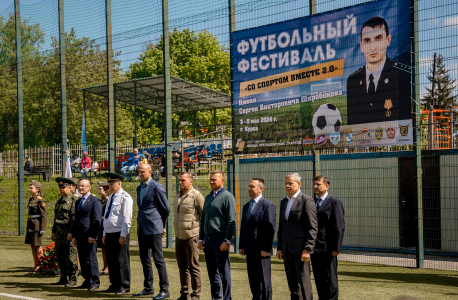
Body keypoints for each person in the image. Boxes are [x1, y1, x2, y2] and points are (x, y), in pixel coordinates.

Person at [347, 16, 412, 125]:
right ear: (361, 46)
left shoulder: (403, 74)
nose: (373, 47)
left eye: (378, 38)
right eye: (367, 40)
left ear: (388, 40)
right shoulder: (353, 80)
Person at [276, 172, 317, 300]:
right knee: (293, 285)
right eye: (286, 183)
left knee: (304, 284)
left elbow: (312, 227)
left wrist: (308, 249)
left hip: (300, 250)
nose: (287, 186)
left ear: (299, 184)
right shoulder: (284, 201)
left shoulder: (307, 200)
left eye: (290, 183)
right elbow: (282, 227)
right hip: (287, 250)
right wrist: (279, 247)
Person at [134, 164, 171, 300]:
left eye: (142, 171)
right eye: (139, 171)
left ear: (150, 172)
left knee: (158, 258)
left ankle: (164, 290)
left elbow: (166, 209)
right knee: (144, 259)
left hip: (154, 228)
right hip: (142, 227)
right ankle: (148, 288)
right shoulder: (139, 188)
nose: (140, 173)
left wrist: (161, 224)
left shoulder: (157, 186)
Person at [198, 170, 236, 300]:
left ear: (222, 180)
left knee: (224, 272)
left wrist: (227, 240)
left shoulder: (228, 197)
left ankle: (227, 298)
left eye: (214, 179)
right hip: (208, 240)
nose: (211, 181)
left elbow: (231, 220)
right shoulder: (208, 197)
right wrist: (201, 238)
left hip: (220, 239)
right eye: (211, 179)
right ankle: (216, 298)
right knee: (212, 272)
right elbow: (203, 218)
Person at [239, 178, 276, 300]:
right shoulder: (246, 206)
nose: (249, 189)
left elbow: (269, 229)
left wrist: (266, 248)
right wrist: (241, 246)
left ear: (261, 189)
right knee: (253, 279)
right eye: (249, 186)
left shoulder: (268, 205)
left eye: (252, 186)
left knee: (264, 281)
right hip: (250, 249)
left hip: (262, 250)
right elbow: (243, 226)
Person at [311, 176, 345, 300]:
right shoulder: (311, 202)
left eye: (318, 184)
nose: (315, 186)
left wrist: (337, 247)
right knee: (319, 278)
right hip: (314, 248)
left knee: (330, 278)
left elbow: (339, 226)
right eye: (315, 184)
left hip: (328, 248)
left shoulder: (335, 202)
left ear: (327, 186)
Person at [173, 172, 205, 300]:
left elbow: (204, 216)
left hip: (192, 237)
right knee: (182, 267)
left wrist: (200, 236)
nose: (180, 182)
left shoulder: (196, 196)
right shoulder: (178, 195)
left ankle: (195, 295)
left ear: (190, 181)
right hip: (179, 237)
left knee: (193, 267)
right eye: (179, 180)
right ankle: (184, 293)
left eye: (183, 180)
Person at [101, 173, 133, 295]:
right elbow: (107, 217)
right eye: (109, 184)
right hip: (109, 232)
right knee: (112, 260)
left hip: (119, 233)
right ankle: (114, 284)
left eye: (112, 184)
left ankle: (124, 285)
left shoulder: (125, 197)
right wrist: (104, 233)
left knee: (121, 260)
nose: (110, 187)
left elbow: (126, 217)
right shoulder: (111, 197)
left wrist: (123, 235)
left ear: (119, 184)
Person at [72, 179, 102, 291]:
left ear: (89, 187)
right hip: (80, 235)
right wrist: (75, 236)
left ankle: (95, 281)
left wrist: (93, 235)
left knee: (92, 258)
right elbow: (76, 221)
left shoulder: (95, 201)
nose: (81, 188)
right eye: (79, 186)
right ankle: (87, 280)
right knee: (83, 258)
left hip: (89, 235)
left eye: (83, 186)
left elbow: (97, 219)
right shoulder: (78, 202)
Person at [51, 177, 79, 287]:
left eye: (64, 187)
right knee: (60, 256)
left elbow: (74, 219)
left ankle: (73, 279)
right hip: (59, 233)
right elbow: (55, 218)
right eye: (60, 187)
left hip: (68, 232)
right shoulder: (59, 201)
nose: (62, 189)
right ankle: (63, 277)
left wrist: (71, 233)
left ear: (69, 187)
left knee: (71, 257)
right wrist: (53, 231)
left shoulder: (74, 201)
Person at [25, 180, 47, 273]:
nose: (29, 189)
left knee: (38, 246)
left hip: (37, 225)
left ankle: (40, 265)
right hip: (30, 224)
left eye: (31, 188)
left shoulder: (40, 200)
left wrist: (42, 228)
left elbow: (44, 215)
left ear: (37, 189)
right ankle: (35, 264)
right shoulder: (31, 199)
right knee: (32, 245)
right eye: (29, 187)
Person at [96, 182, 110, 275]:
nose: (98, 190)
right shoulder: (100, 200)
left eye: (100, 188)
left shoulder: (108, 200)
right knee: (103, 247)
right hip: (100, 226)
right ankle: (105, 266)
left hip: (106, 225)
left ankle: (108, 266)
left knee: (107, 247)